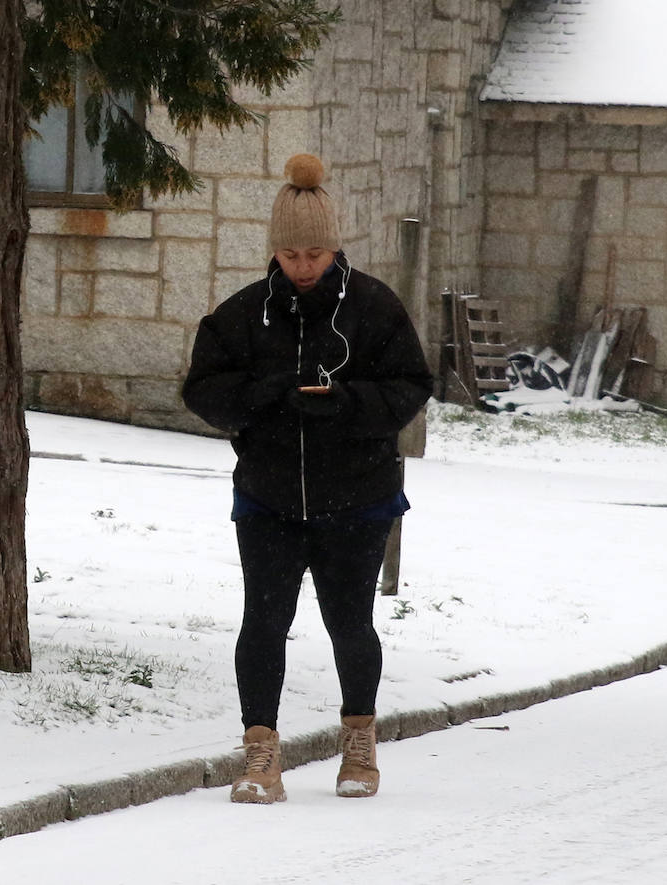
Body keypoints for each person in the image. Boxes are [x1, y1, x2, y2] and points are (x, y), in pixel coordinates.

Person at [182, 153, 433, 803]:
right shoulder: (244, 316)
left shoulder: (374, 308)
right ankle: (261, 752)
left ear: (334, 246)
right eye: (291, 253)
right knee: (262, 622)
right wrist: (265, 394)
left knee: (350, 623)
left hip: (358, 500)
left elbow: (410, 385)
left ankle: (358, 742)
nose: (302, 266)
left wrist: (345, 404)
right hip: (268, 499)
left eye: (315, 253)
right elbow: (203, 387)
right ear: (275, 251)